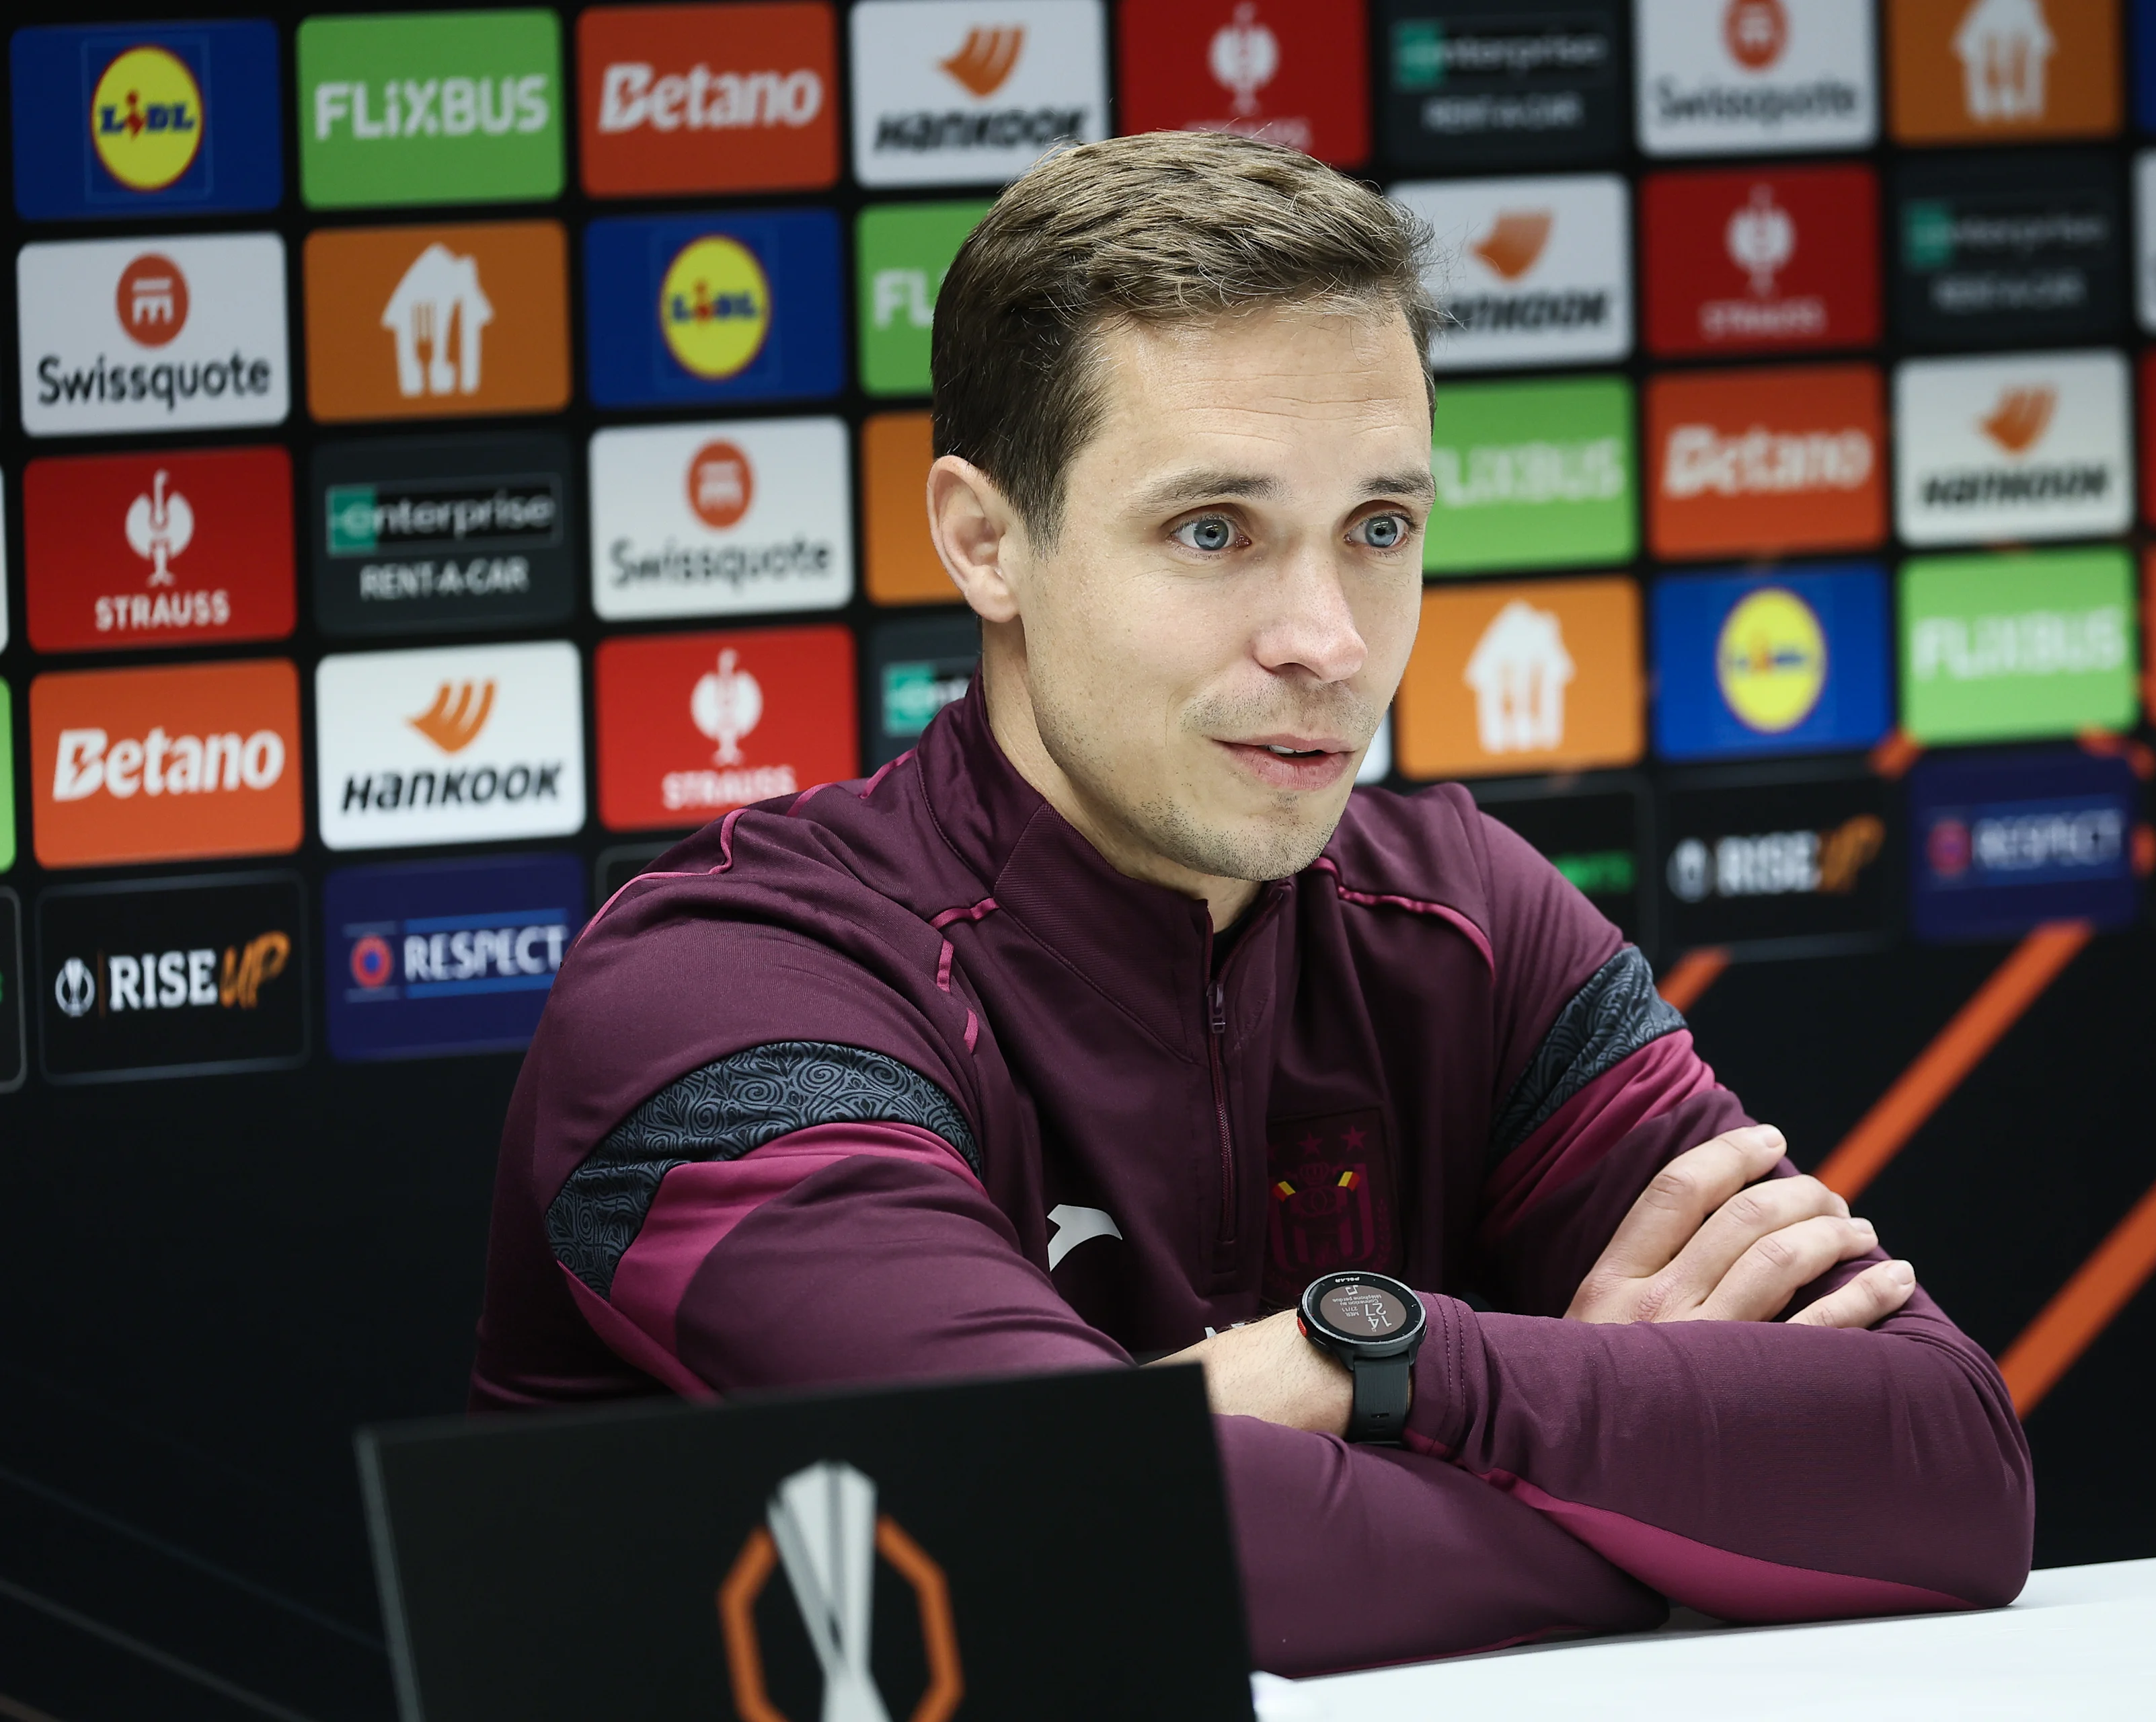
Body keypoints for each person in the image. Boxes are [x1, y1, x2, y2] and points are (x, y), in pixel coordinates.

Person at [470, 130, 2032, 1674]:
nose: (1328, 640)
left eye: (1379, 530)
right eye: (1213, 531)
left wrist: (1380, 1356)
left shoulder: (1465, 915)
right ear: (985, 539)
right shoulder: (733, 989)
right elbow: (1080, 1525)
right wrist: (1649, 1487)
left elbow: (1951, 1469)